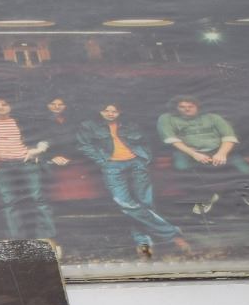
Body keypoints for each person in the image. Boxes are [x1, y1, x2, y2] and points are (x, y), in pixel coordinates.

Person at [76, 103, 192, 259]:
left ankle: (144, 244)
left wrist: (144, 158)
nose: (110, 114)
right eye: (106, 110)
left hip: (136, 163)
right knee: (126, 204)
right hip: (112, 165)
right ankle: (172, 234)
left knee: (145, 203)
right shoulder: (88, 126)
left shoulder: (130, 124)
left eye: (114, 111)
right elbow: (83, 145)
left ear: (120, 111)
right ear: (100, 111)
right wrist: (103, 161)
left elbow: (145, 142)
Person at [0, 97, 58, 240]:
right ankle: (17, 239)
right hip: (1, 165)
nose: (0, 107)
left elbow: (45, 137)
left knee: (38, 199)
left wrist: (38, 150)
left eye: (4, 104)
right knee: (9, 202)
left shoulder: (23, 121)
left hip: (26, 163)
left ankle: (46, 238)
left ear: (11, 106)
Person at [158, 97, 249, 213]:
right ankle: (205, 198)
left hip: (218, 149)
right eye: (182, 107)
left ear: (197, 107)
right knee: (181, 167)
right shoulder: (167, 118)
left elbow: (229, 136)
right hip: (187, 150)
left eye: (190, 106)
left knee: (245, 169)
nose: (186, 109)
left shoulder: (213, 117)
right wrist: (193, 154)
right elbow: (171, 139)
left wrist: (221, 153)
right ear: (176, 108)